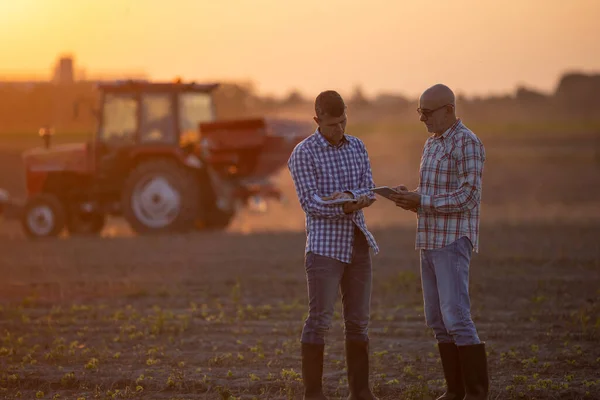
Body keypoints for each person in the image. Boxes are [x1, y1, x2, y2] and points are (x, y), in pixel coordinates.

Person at [390, 84, 489, 400]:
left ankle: (475, 393)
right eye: (419, 112)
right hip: (428, 240)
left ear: (449, 109)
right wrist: (411, 198)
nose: (422, 119)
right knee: (437, 319)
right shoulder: (431, 143)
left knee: (456, 317)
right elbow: (430, 193)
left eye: (427, 112)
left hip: (451, 242)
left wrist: (423, 200)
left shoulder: (467, 143)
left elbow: (469, 196)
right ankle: (454, 391)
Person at [287, 90, 379, 400]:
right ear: (317, 120)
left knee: (358, 322)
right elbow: (310, 203)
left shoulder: (358, 146)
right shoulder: (303, 153)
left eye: (343, 122)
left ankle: (361, 392)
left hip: (357, 243)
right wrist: (345, 204)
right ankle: (313, 394)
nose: (339, 130)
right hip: (325, 248)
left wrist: (350, 198)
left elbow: (368, 187)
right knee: (320, 321)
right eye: (331, 125)